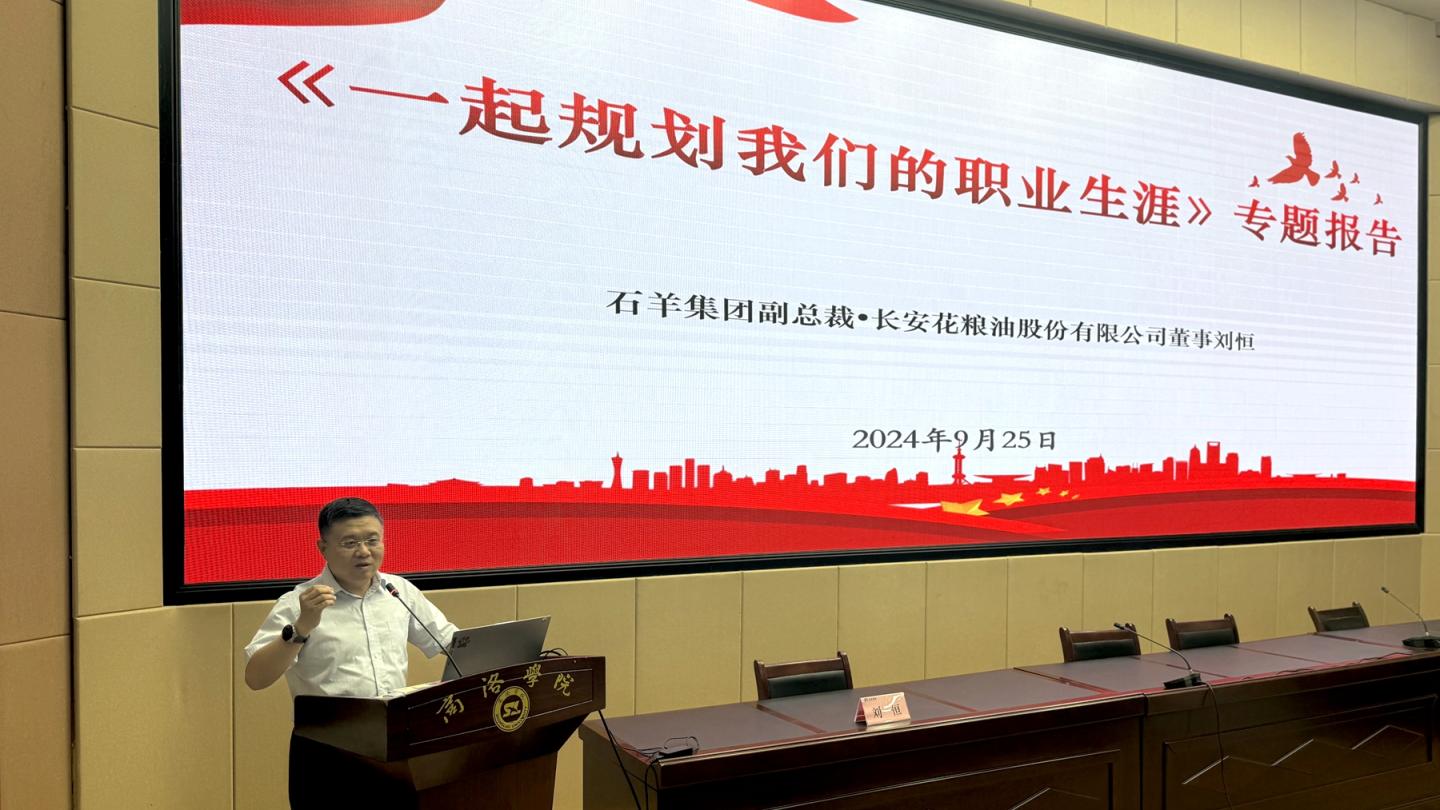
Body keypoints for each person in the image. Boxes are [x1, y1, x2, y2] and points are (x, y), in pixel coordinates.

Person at [244, 497, 458, 804]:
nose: (364, 551)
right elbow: (256, 677)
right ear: (323, 548)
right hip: (328, 749)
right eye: (350, 543)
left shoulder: (398, 592)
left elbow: (450, 642)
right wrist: (302, 627)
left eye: (372, 540)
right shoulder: (298, 603)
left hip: (394, 740)